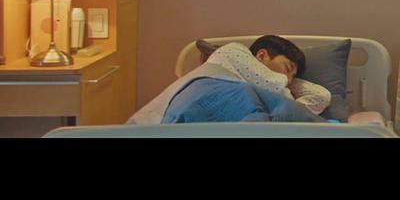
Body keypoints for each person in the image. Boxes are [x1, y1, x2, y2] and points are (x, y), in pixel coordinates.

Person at [128, 34, 332, 124]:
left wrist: (292, 78)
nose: (288, 79)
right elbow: (277, 89)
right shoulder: (233, 51)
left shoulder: (272, 89)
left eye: (293, 77)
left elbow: (320, 98)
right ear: (261, 55)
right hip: (207, 95)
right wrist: (285, 81)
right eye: (287, 68)